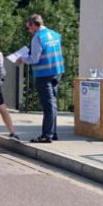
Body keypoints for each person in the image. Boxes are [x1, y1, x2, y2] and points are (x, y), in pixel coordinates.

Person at [16, 14, 64, 143]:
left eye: (29, 27)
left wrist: (22, 59)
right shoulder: (54, 34)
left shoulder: (37, 38)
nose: (29, 31)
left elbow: (34, 59)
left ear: (33, 25)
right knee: (53, 103)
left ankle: (46, 135)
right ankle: (53, 132)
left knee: (48, 105)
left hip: (44, 74)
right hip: (57, 71)